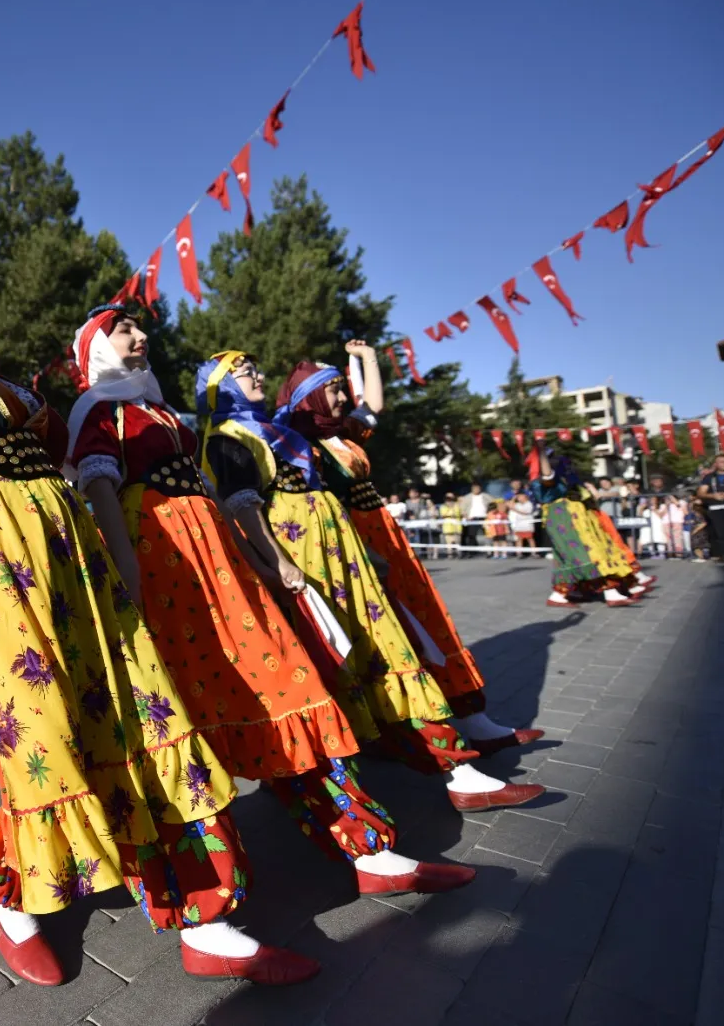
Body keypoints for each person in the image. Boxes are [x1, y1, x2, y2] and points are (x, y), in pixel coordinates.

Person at [0, 111, 310, 987]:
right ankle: (14, 900)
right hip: (3, 550)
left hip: (70, 544)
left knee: (135, 700)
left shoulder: (9, 383)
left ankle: (208, 916)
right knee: (43, 724)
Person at [73, 313, 473, 899]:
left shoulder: (158, 409)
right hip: (162, 566)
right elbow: (99, 488)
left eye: (139, 330)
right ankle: (205, 892)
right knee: (183, 710)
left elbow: (211, 495)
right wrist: (127, 576)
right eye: (124, 330)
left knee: (288, 682)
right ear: (95, 348)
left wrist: (255, 562)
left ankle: (369, 849)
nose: (141, 338)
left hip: (216, 560)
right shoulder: (98, 411)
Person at [202, 351, 544, 814]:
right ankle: (431, 771)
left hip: (337, 550)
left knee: (386, 647)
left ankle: (455, 765)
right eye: (244, 373)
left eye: (258, 370)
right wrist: (278, 565)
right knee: (351, 654)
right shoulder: (227, 438)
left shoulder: (272, 431)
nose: (257, 376)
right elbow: (242, 508)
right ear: (219, 384)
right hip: (306, 556)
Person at [528, 449, 641, 605]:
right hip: (564, 520)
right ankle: (610, 593)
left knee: (576, 556)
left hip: (578, 520)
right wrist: (540, 450)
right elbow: (548, 474)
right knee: (587, 555)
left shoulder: (569, 483)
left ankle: (562, 594)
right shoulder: (542, 481)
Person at [458, 482, 490, 556]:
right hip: (472, 518)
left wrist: (490, 514)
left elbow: (493, 504)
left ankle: (489, 551)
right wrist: (465, 516)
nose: (476, 490)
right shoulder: (467, 497)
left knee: (488, 535)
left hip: (485, 518)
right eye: (474, 488)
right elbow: (462, 509)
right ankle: (472, 552)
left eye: (477, 488)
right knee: (471, 535)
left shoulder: (486, 496)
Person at [438, 493, 462, 559]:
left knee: (457, 541)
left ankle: (458, 554)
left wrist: (451, 511)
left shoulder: (457, 506)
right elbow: (444, 514)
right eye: (448, 500)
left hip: (457, 527)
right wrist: (450, 512)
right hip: (447, 528)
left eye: (451, 500)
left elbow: (457, 513)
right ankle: (450, 555)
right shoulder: (443, 507)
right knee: (449, 543)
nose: (449, 502)